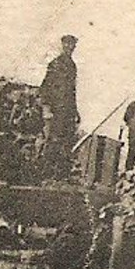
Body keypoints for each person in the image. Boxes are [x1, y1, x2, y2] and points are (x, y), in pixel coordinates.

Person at [39, 34, 79, 176]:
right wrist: (47, 108)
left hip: (67, 110)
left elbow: (72, 91)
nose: (70, 48)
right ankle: (47, 172)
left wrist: (75, 111)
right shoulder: (55, 64)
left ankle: (61, 174)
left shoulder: (72, 66)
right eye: (67, 45)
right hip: (56, 111)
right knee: (53, 141)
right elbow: (44, 88)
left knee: (67, 141)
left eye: (72, 45)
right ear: (62, 46)